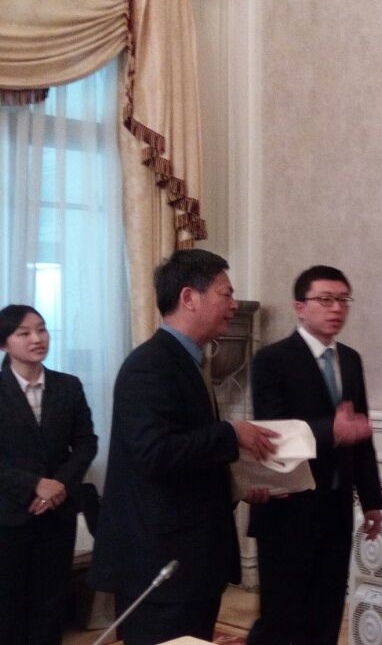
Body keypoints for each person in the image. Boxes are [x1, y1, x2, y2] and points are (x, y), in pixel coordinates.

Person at [89, 249, 278, 645]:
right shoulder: (149, 366)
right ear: (189, 297)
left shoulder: (187, 363)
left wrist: (238, 487)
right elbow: (155, 453)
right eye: (226, 294)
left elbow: (189, 459)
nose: (234, 305)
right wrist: (230, 433)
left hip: (190, 560)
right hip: (160, 564)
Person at [246, 265, 382, 645]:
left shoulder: (351, 359)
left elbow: (361, 434)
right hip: (287, 510)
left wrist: (371, 500)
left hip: (335, 509)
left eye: (343, 300)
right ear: (299, 307)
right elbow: (274, 432)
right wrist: (331, 431)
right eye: (325, 299)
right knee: (282, 620)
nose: (336, 308)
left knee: (326, 615)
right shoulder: (272, 360)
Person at [0, 304, 98, 645]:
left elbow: (86, 442)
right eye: (24, 333)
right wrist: (34, 485)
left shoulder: (68, 386)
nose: (37, 338)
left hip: (58, 514)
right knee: (9, 606)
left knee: (51, 605)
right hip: (10, 514)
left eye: (41, 329)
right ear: (4, 343)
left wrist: (59, 486)